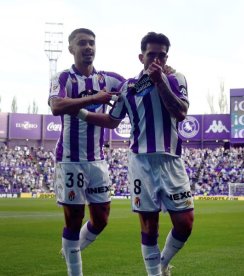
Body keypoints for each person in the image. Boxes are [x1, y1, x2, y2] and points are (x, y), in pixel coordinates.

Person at [76, 32, 194, 276]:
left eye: (162, 55)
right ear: (141, 57)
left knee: (185, 224)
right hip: (141, 162)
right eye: (152, 54)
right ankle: (154, 273)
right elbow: (112, 119)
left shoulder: (175, 79)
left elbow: (180, 112)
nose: (157, 59)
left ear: (167, 57)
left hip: (171, 160)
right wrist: (81, 112)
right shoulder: (130, 87)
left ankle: (162, 262)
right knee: (149, 226)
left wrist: (160, 80)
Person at [48, 28, 125, 276]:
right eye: (82, 43)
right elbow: (56, 105)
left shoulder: (108, 78)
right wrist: (95, 98)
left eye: (92, 43)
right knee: (74, 219)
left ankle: (71, 250)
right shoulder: (63, 78)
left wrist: (157, 75)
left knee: (101, 219)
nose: (88, 47)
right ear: (72, 49)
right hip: (70, 160)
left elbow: (135, 87)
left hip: (97, 160)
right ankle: (75, 271)